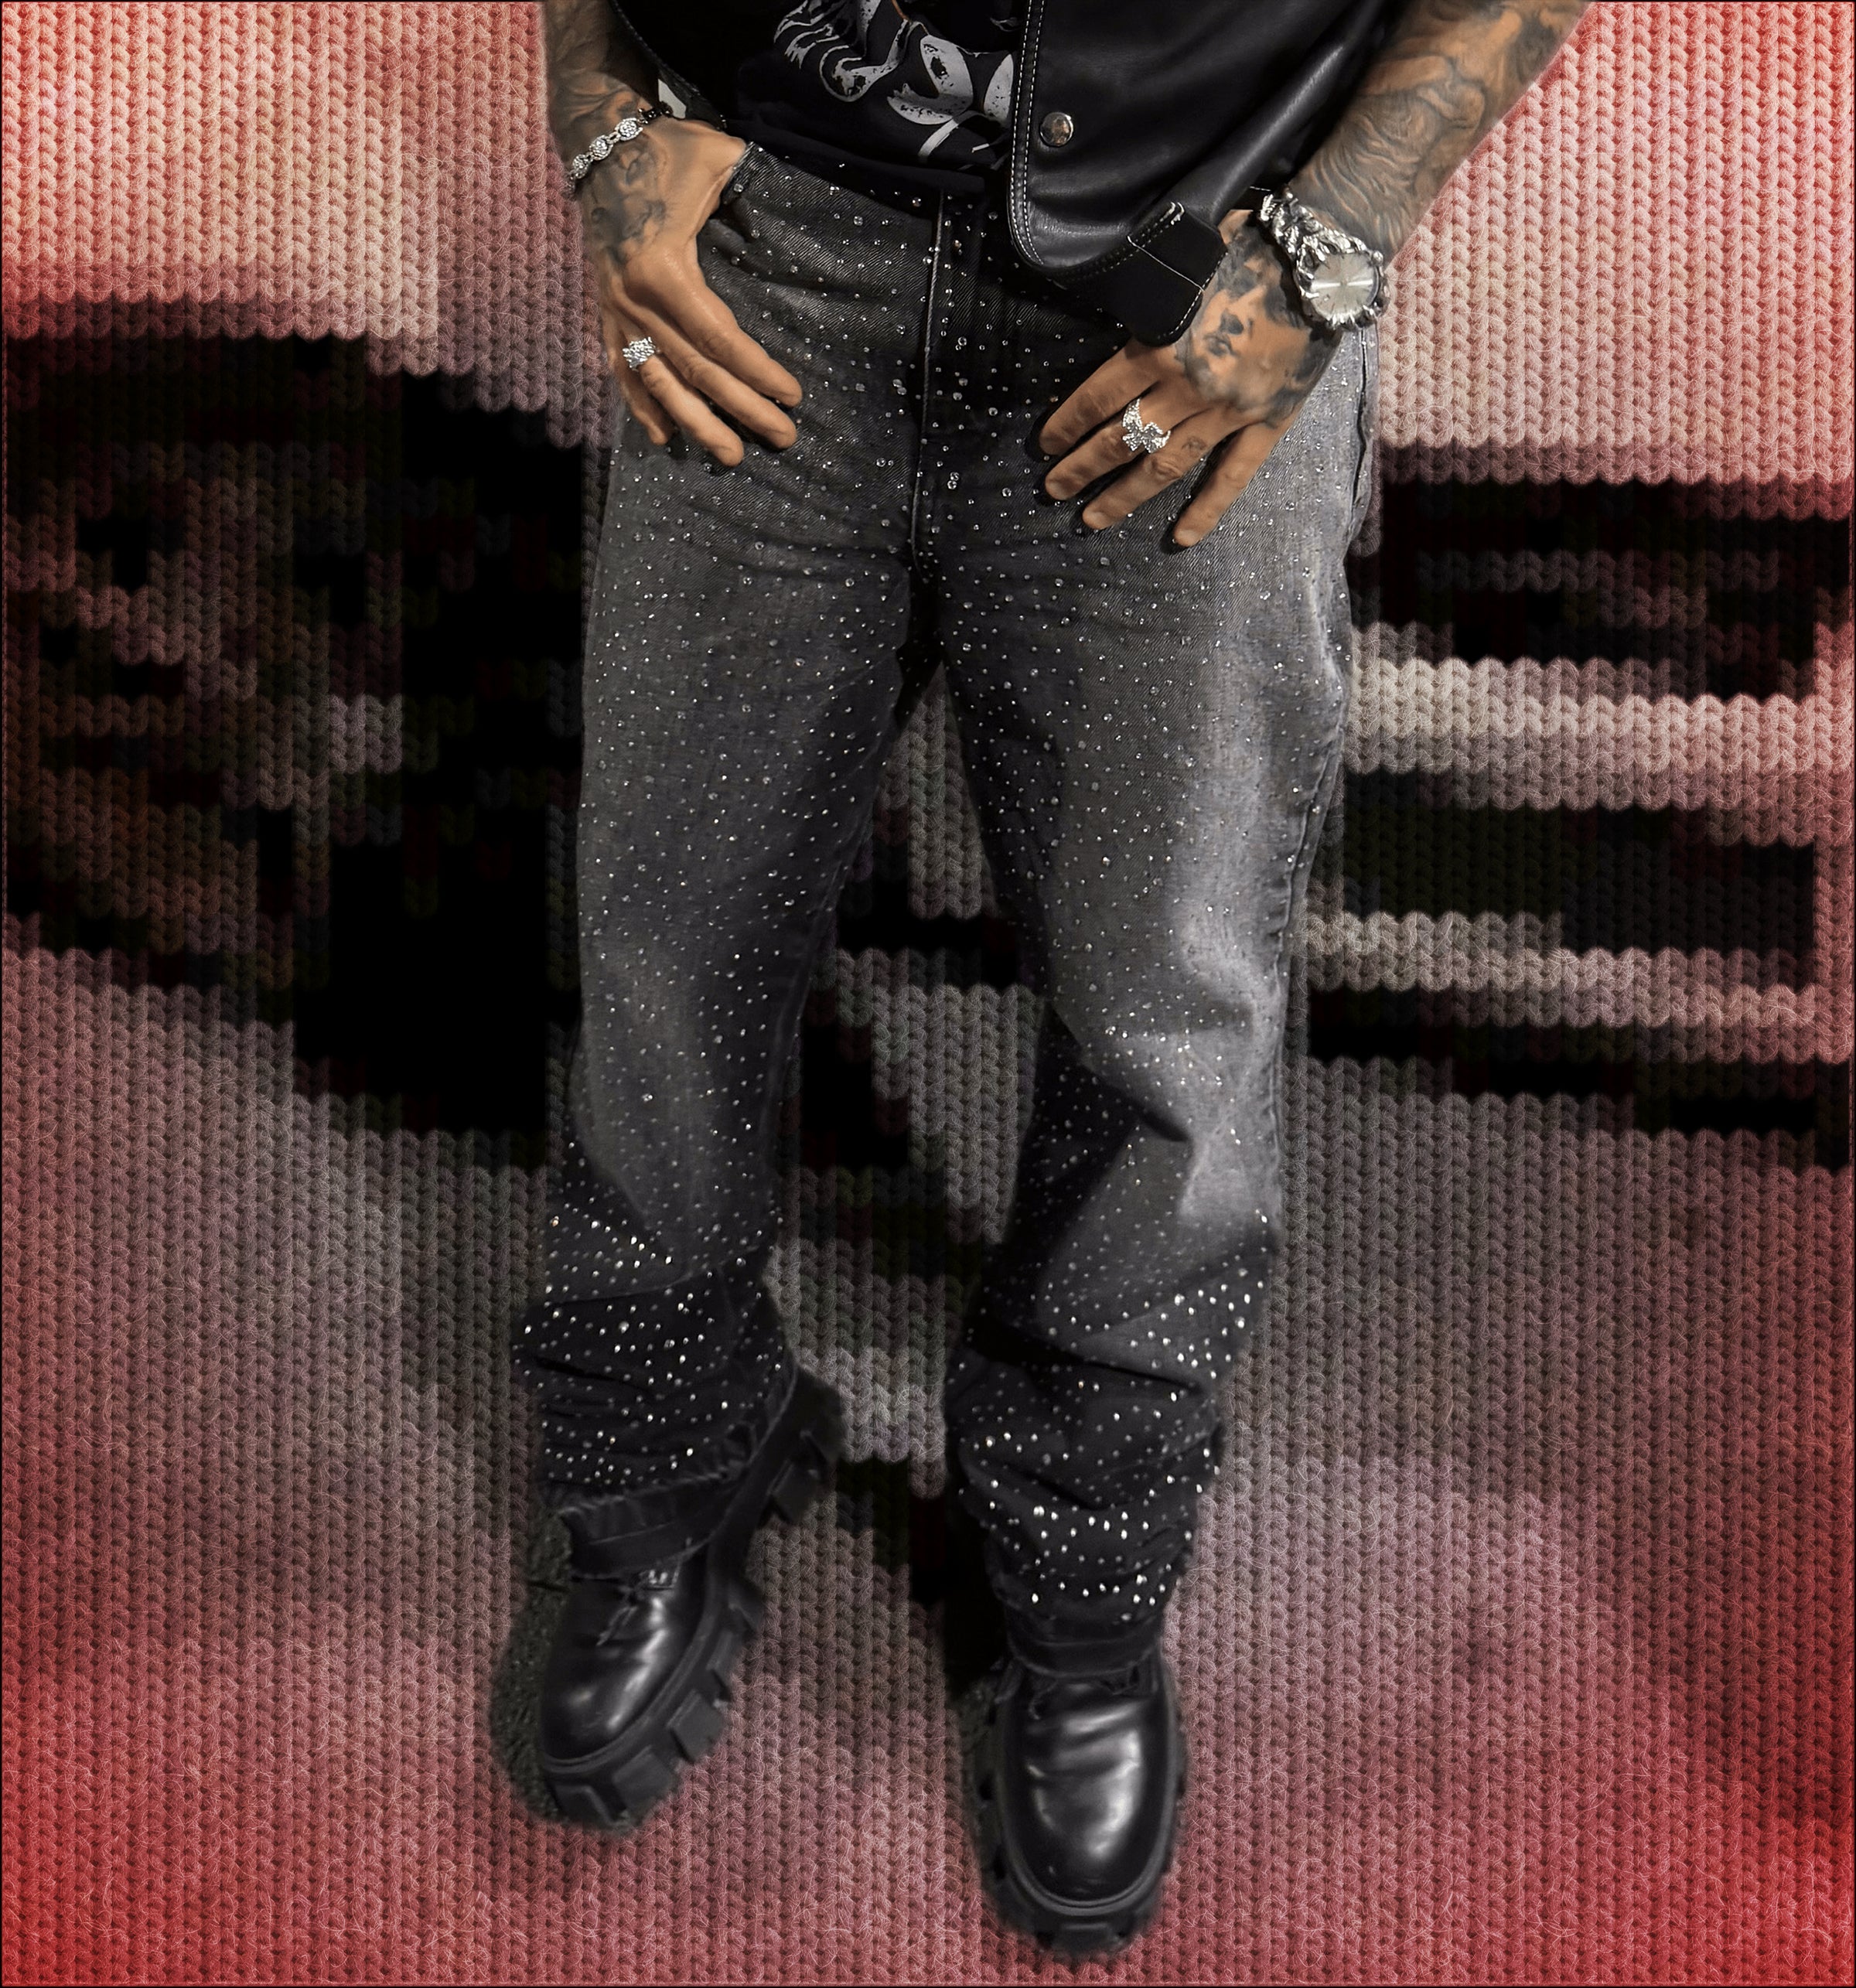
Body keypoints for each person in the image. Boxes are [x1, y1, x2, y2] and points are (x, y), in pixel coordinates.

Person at [522, 0, 1587, 1957]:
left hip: (1188, 273)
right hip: (776, 243)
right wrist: (602, 120)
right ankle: (656, 1474)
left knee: (1163, 1015)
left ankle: (1084, 1597)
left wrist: (1326, 250)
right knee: (671, 941)